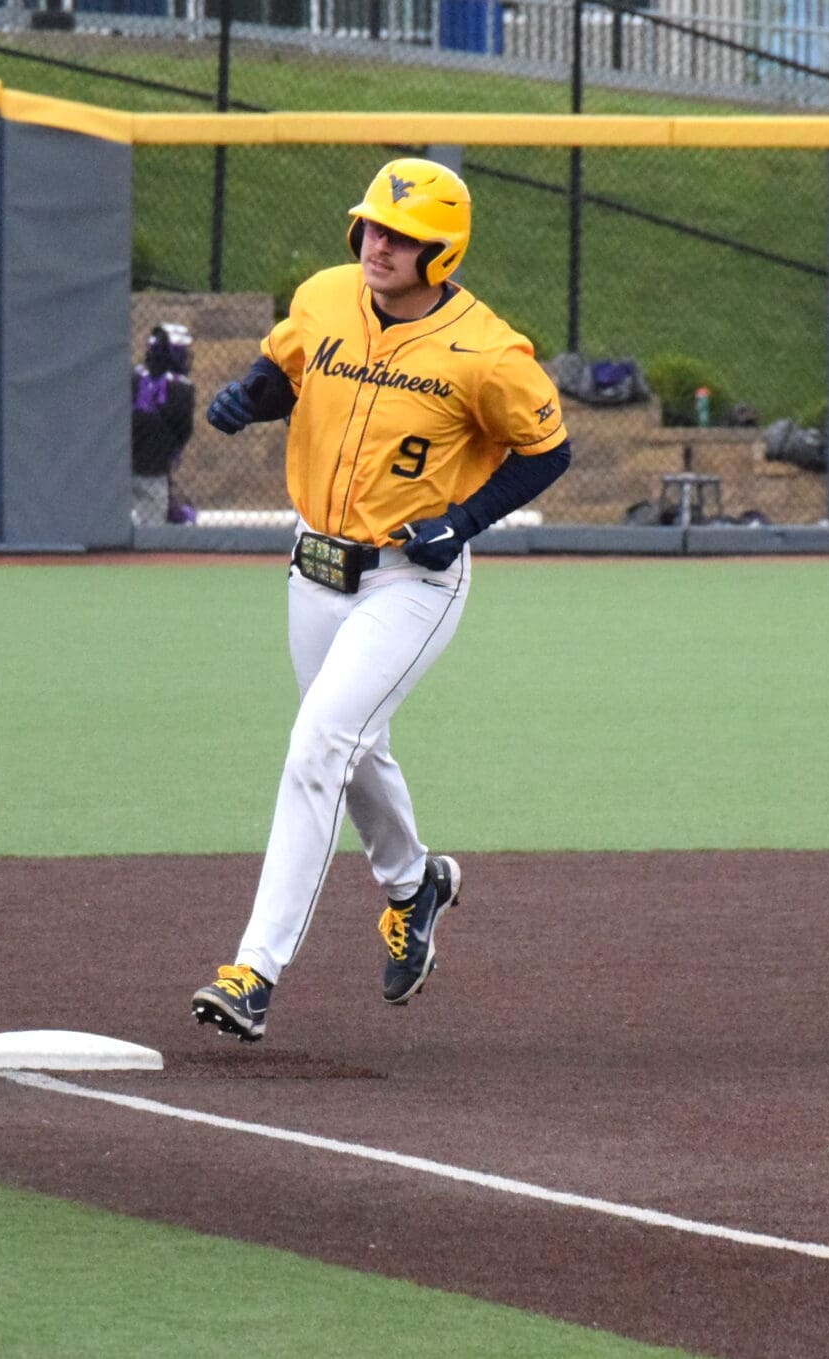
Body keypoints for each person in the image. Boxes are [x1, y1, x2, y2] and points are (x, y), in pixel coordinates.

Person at [190, 158, 572, 1043]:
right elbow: (288, 362)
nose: (379, 245)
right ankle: (414, 885)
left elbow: (547, 449)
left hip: (412, 582)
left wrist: (467, 518)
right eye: (371, 226)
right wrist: (252, 397)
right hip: (314, 568)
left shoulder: (488, 353)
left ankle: (254, 971)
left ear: (443, 254)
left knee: (320, 743)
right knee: (355, 749)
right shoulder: (326, 295)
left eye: (403, 237)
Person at [131, 322, 197, 525]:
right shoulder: (181, 388)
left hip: (118, 466)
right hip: (153, 470)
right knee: (154, 529)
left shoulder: (133, 377)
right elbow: (184, 430)